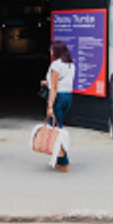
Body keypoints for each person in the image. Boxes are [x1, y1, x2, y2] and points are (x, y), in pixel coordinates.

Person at [41, 41, 76, 172]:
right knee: (57, 128)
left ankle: (63, 162)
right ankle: (58, 158)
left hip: (58, 99)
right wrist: (47, 82)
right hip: (68, 97)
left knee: (57, 130)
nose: (50, 52)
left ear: (55, 51)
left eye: (51, 49)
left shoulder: (55, 65)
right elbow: (63, 81)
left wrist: (50, 105)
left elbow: (54, 88)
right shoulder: (70, 65)